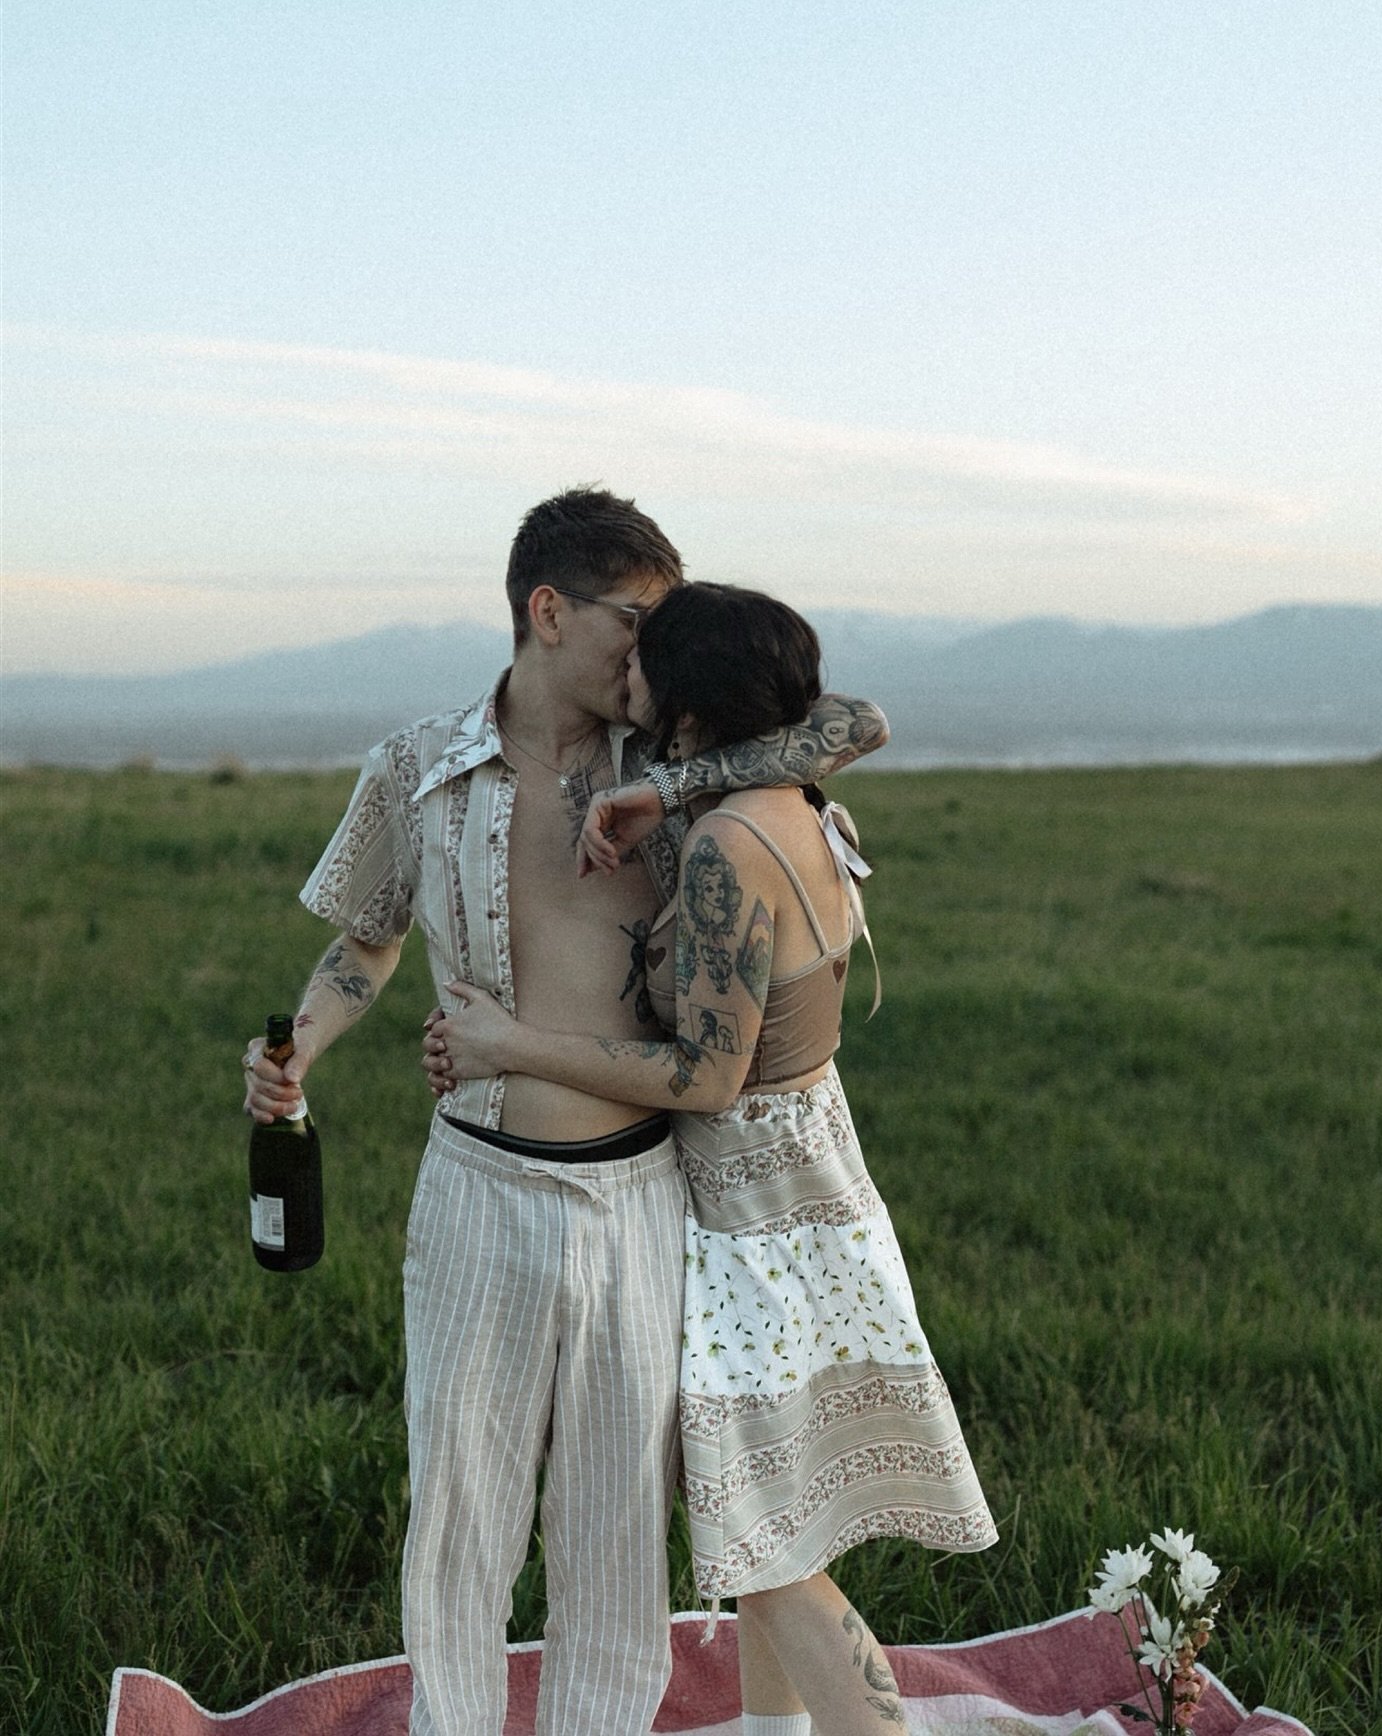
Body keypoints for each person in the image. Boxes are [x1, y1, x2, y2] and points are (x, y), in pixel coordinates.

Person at [240, 490, 890, 1736]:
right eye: (633, 621)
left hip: (640, 1193)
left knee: (612, 1533)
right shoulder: (415, 768)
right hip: (478, 1188)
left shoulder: (677, 768)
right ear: (549, 612)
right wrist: (300, 1052)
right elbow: (363, 945)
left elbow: (852, 726)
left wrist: (680, 782)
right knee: (462, 1519)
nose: (649, 652)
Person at [423, 582, 998, 1736]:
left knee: (765, 1532)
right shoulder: (782, 793)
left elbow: (706, 1078)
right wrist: (668, 785)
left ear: (684, 697)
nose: (625, 672)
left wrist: (507, 1041)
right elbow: (859, 721)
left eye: (647, 662)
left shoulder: (734, 848)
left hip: (754, 1216)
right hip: (808, 1183)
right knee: (774, 1510)